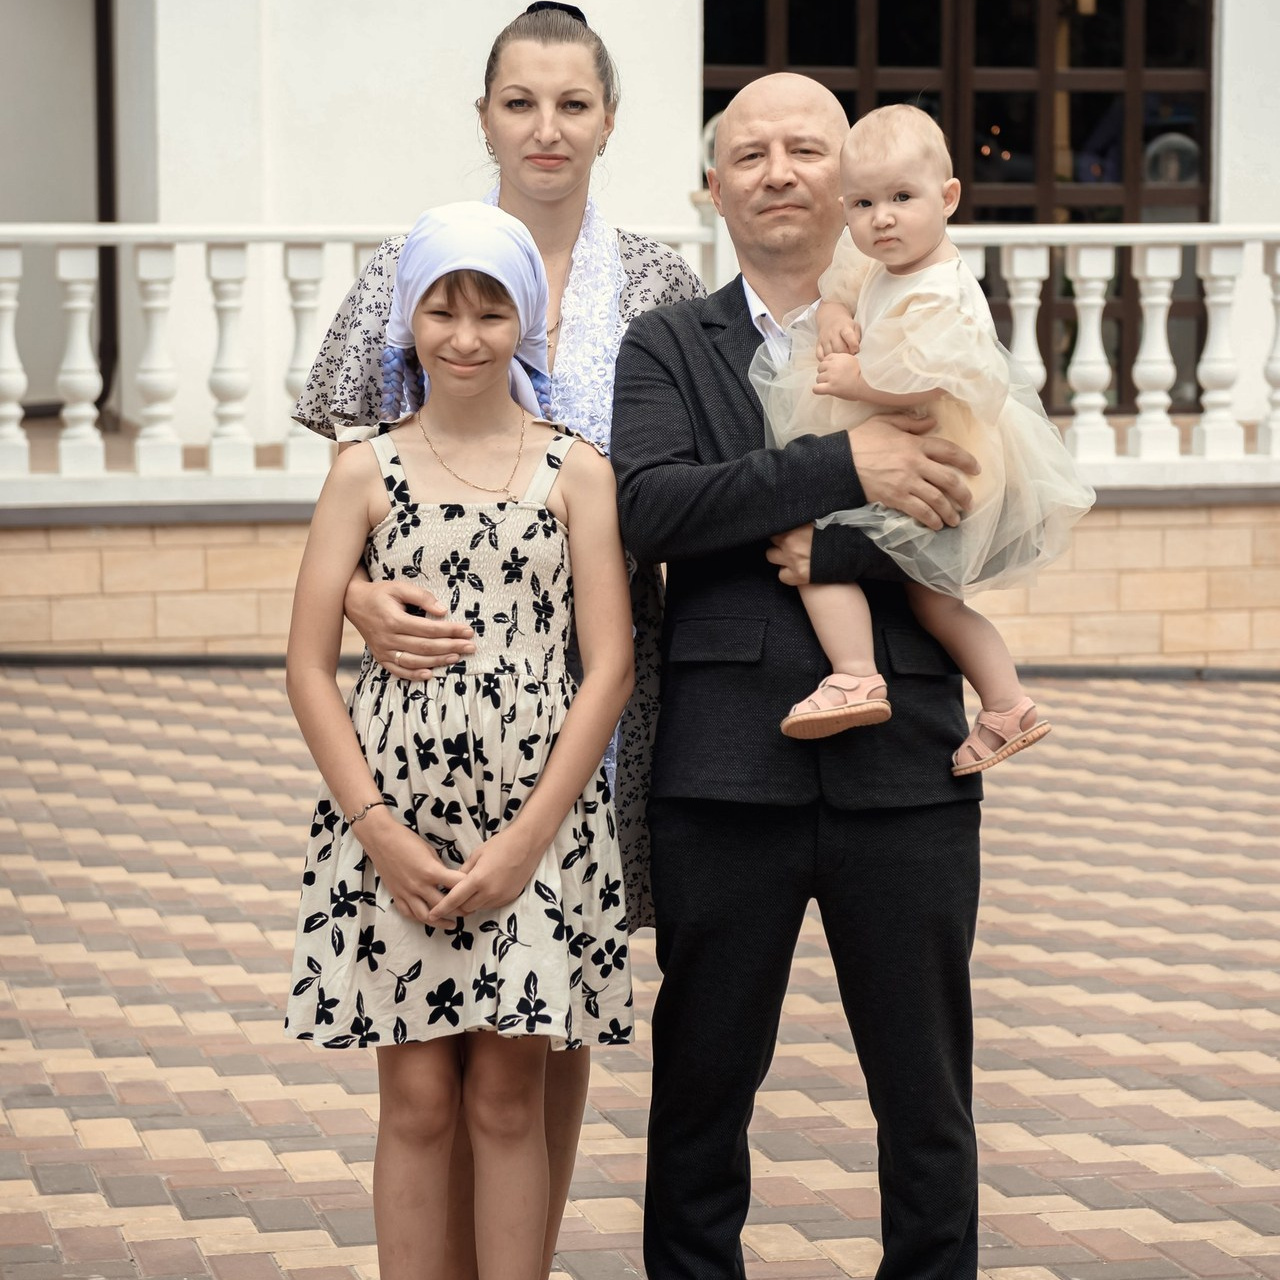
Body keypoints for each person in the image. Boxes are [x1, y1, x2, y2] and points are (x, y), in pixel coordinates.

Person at [292, 7, 703, 1275]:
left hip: (591, 713)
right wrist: (359, 595)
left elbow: (686, 490)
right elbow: (342, 480)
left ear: (609, 122)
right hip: (419, 724)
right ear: (484, 114)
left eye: (571, 104)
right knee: (427, 1079)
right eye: (519, 102)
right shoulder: (403, 271)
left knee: (542, 1034)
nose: (545, 127)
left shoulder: (659, 282)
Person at [611, 75, 987, 1280]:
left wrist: (828, 524)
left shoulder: (928, 328)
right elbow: (649, 505)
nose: (778, 170)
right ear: (711, 187)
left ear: (852, 178)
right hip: (725, 769)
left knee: (925, 1099)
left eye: (806, 148)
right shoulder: (667, 341)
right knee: (701, 1094)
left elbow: (986, 522)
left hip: (908, 758)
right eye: (749, 152)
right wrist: (847, 462)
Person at [284, 202, 635, 1280]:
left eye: (492, 309)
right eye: (444, 307)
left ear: (524, 319)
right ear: (409, 319)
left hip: (533, 830)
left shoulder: (575, 469)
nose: (466, 333)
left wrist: (532, 838)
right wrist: (376, 827)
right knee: (419, 1095)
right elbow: (305, 662)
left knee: (505, 1092)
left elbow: (608, 662)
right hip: (399, 824)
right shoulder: (362, 468)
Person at [750, 104, 1094, 766]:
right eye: (863, 203)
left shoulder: (941, 289)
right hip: (896, 446)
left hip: (941, 453)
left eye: (901, 198)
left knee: (815, 545)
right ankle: (1006, 706)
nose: (881, 218)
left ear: (948, 197)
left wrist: (858, 382)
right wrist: (828, 317)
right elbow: (840, 290)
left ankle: (854, 673)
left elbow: (930, 377)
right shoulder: (878, 261)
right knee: (937, 602)